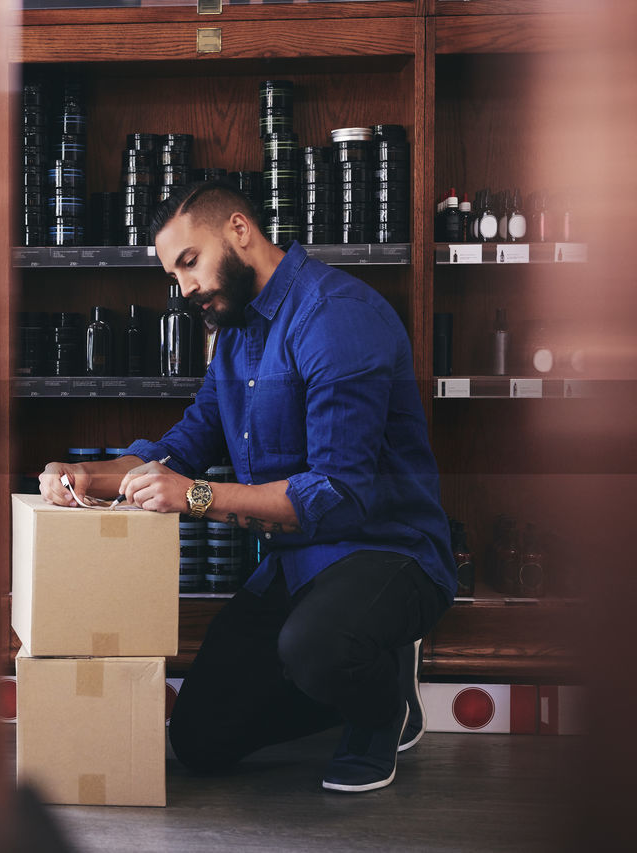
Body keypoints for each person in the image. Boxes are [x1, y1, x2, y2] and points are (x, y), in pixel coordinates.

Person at [38, 182, 456, 793]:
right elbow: (188, 441)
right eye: (174, 277)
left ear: (239, 230)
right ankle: (358, 668)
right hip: (295, 563)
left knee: (316, 645)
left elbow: (335, 495)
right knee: (201, 742)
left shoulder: (336, 317)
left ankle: (381, 709)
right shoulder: (235, 330)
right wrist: (85, 475)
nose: (185, 290)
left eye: (189, 263)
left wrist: (195, 496)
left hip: (387, 551)